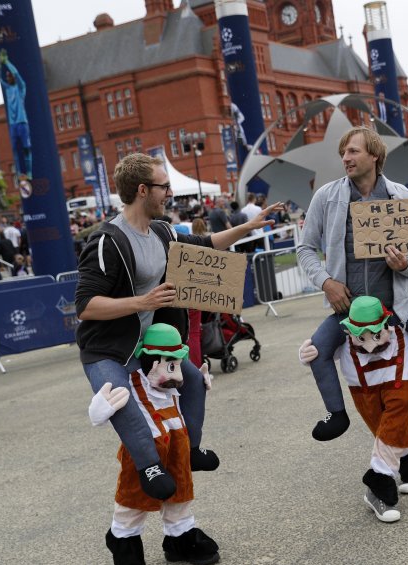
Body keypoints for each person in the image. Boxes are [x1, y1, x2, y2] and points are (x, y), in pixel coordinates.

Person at [75, 152, 281, 500]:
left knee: (196, 382)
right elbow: (86, 306)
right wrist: (143, 302)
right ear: (142, 189)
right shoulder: (108, 240)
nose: (170, 192)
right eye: (164, 186)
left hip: (149, 346)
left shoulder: (162, 231)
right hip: (107, 349)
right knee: (119, 398)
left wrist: (246, 227)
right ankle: (149, 467)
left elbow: (206, 245)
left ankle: (190, 450)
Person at [296, 126, 408, 441]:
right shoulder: (325, 196)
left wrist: (405, 264)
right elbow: (305, 248)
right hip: (348, 309)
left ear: (375, 155)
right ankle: (336, 414)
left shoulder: (403, 197)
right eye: (343, 152)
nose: (346, 158)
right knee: (316, 349)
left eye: (353, 151)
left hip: (399, 305)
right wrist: (326, 282)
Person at [298, 296, 408, 523]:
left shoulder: (403, 333)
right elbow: (320, 353)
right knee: (382, 428)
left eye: (377, 336)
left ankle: (379, 484)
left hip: (400, 381)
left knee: (395, 420)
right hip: (363, 390)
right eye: (361, 338)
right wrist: (304, 355)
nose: (370, 344)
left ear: (387, 326)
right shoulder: (344, 342)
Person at [89, 323, 219, 565]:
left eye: (177, 364)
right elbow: (106, 414)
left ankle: (179, 536)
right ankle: (123, 539)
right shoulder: (130, 381)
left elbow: (185, 404)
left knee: (180, 493)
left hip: (177, 446)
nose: (175, 374)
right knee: (134, 499)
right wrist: (99, 408)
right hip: (144, 454)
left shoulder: (173, 384)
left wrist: (201, 385)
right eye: (169, 364)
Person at [0, 49, 32, 179]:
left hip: (22, 122)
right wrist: (0, 66)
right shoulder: (7, 89)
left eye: (9, 76)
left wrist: (6, 62)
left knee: (26, 148)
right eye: (7, 76)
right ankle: (19, 173)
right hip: (13, 125)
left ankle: (29, 173)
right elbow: (0, 79)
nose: (8, 77)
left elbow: (17, 74)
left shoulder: (20, 88)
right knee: (14, 150)